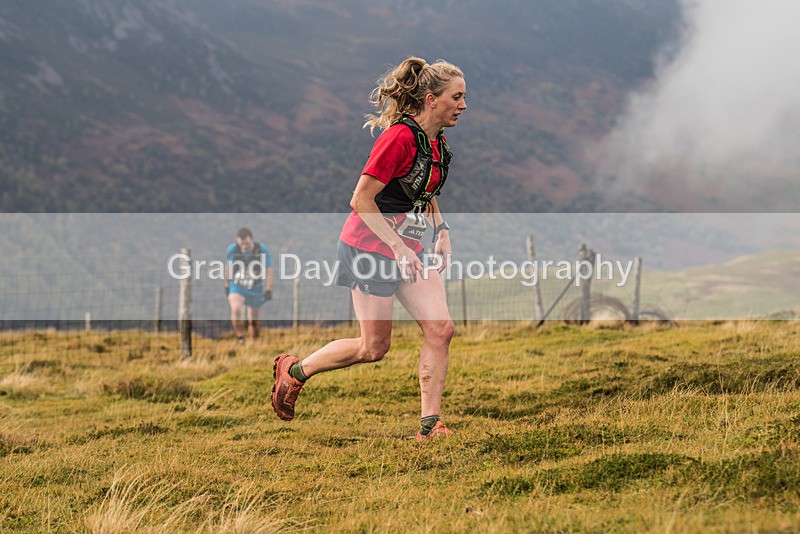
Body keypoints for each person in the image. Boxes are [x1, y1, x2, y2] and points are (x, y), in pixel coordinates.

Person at [271, 56, 467, 440]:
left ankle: (430, 425)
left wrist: (440, 229)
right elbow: (361, 199)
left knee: (441, 329)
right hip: (369, 248)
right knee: (373, 347)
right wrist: (397, 247)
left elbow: (423, 191)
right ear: (431, 99)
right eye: (457, 97)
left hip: (407, 248)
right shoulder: (398, 138)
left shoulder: (436, 141)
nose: (463, 105)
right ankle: (294, 372)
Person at [224, 227, 273, 345]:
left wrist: (268, 289)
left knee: (254, 319)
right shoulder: (232, 249)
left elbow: (269, 269)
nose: (244, 247)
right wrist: (227, 285)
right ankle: (240, 338)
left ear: (251, 239)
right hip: (237, 284)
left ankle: (254, 342)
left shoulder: (261, 249)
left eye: (246, 244)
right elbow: (228, 267)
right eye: (241, 244)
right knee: (235, 308)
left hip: (255, 286)